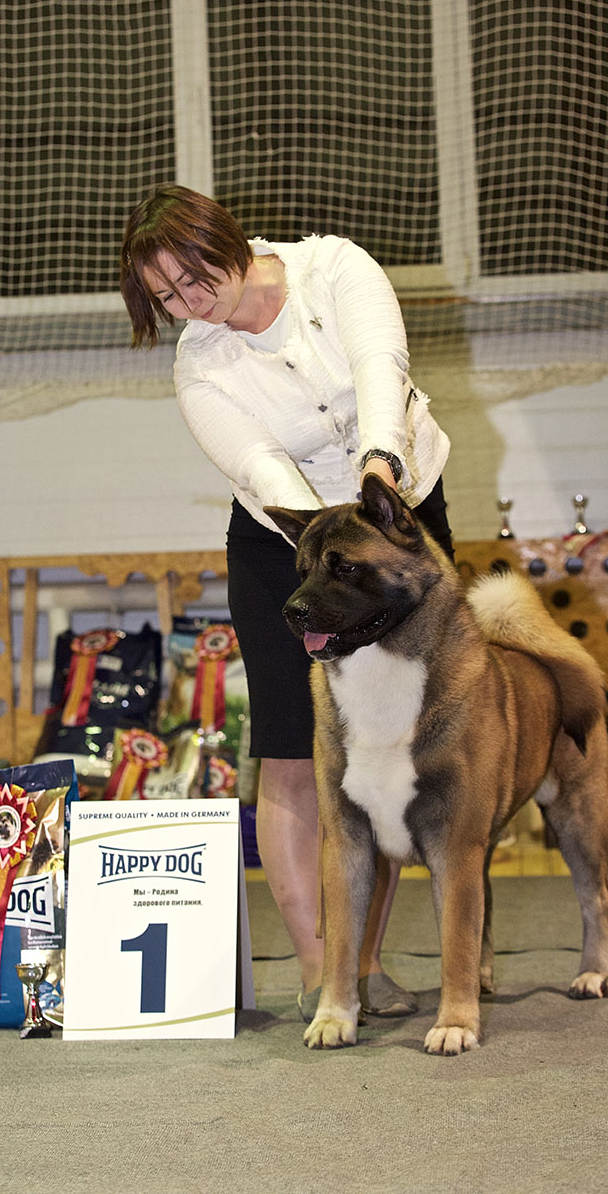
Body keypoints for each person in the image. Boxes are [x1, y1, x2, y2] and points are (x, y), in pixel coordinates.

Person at [120, 184, 453, 1022]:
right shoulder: (199, 368)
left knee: (395, 748)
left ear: (225, 240)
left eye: (195, 280)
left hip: (400, 512)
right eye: (168, 299)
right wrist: (323, 546)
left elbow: (383, 368)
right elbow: (265, 472)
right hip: (287, 543)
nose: (193, 305)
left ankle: (367, 962)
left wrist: (381, 466)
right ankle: (320, 972)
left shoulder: (333, 267)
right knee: (296, 751)